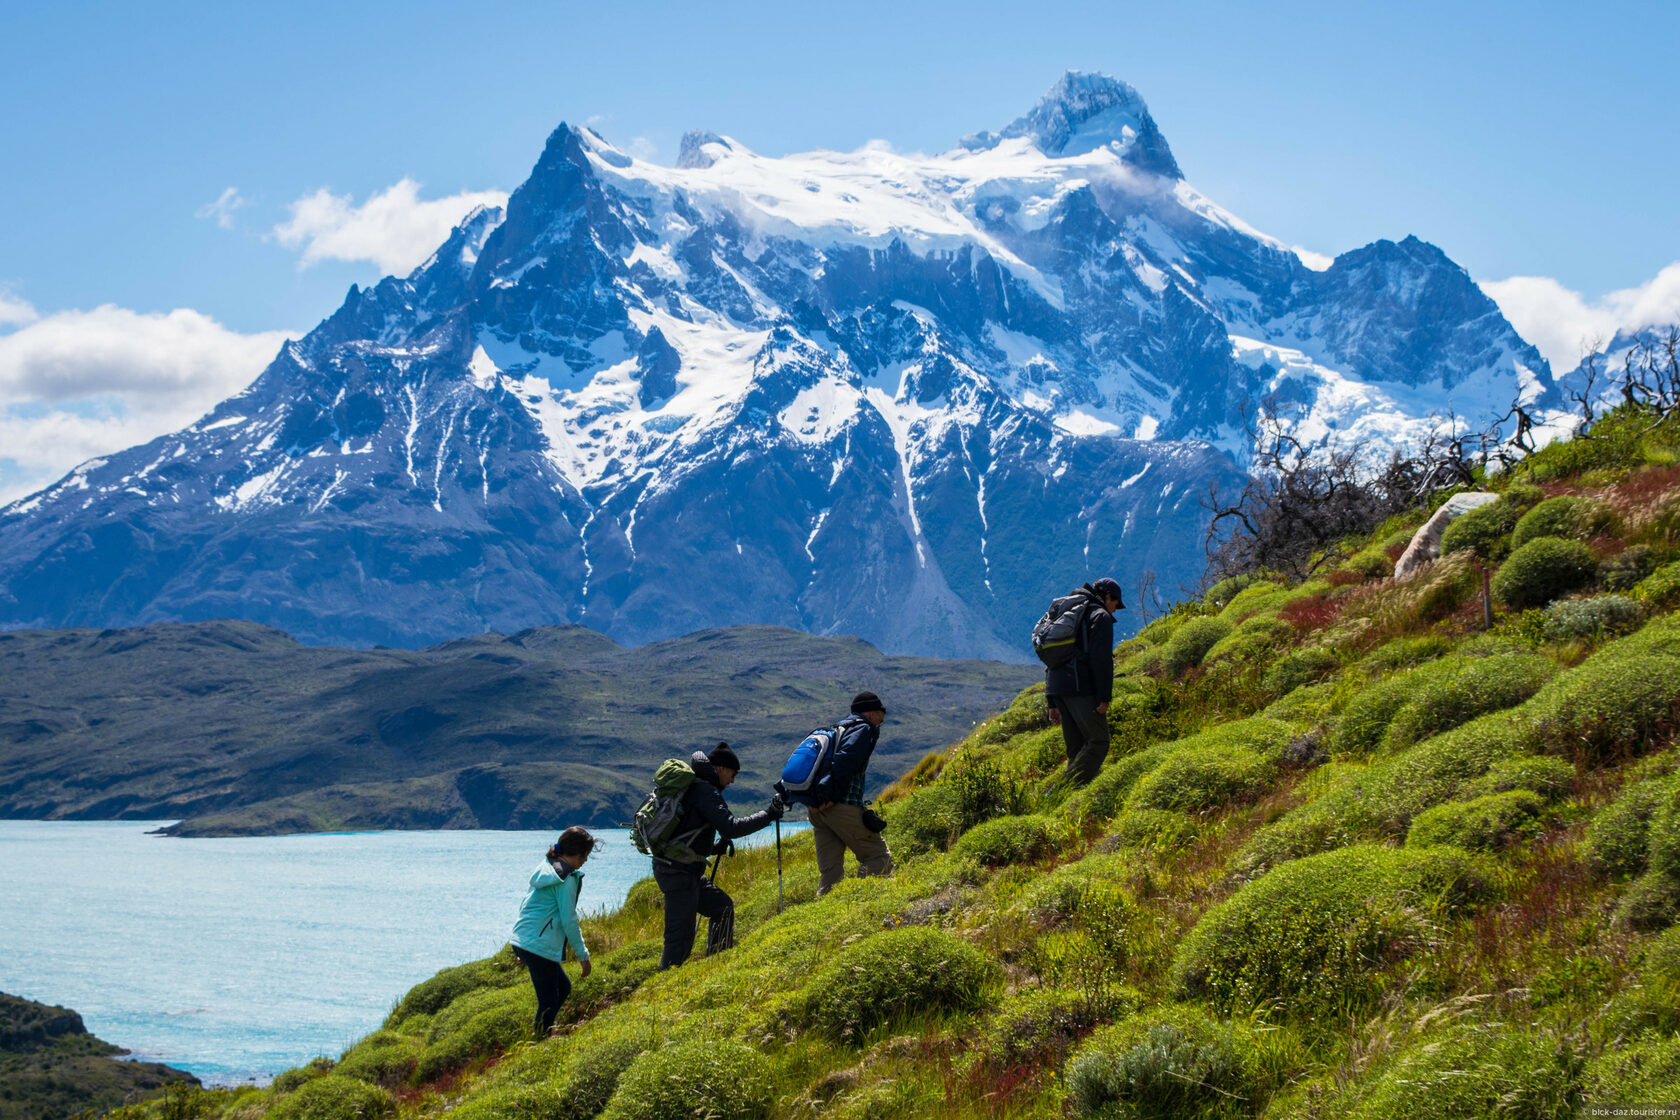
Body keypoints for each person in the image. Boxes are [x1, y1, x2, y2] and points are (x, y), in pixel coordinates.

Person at [652, 742, 782, 969]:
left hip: (680, 869)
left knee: (722, 907)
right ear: (720, 768)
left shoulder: (697, 787)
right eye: (733, 774)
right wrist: (768, 814)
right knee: (678, 941)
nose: (732, 781)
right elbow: (731, 827)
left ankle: (715, 966)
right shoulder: (705, 790)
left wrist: (712, 848)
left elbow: (684, 832)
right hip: (678, 872)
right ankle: (662, 994)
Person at [509, 825, 596, 1038]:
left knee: (563, 988)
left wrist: (522, 944)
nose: (586, 860)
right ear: (576, 853)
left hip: (526, 939)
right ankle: (540, 1041)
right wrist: (583, 956)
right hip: (536, 944)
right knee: (548, 999)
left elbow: (526, 904)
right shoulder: (565, 879)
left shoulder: (548, 866)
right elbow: (569, 921)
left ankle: (545, 1033)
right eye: (585, 855)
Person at [808, 691, 893, 895]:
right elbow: (845, 761)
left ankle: (824, 917)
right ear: (872, 713)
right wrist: (831, 797)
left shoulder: (837, 729)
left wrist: (818, 797)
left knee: (830, 872)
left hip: (816, 809)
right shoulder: (864, 729)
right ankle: (859, 901)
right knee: (879, 859)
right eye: (880, 716)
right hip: (839, 805)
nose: (881, 722)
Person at [1044, 577, 1123, 786]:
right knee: (1098, 742)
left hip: (1058, 686)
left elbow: (1053, 656)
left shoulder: (1071, 613)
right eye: (1115, 604)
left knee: (1077, 749)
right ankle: (1061, 790)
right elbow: (1101, 660)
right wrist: (1104, 696)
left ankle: (1073, 797)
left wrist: (1052, 700)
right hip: (1079, 686)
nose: (1115, 610)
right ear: (1107, 597)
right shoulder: (1100, 617)